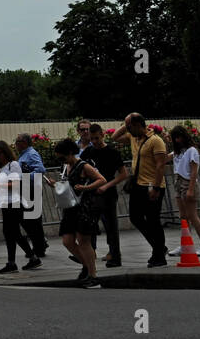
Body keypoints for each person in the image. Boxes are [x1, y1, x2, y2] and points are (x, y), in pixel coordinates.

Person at [47, 139, 106, 288]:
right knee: (67, 240)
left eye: (62, 157)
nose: (61, 160)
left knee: (83, 240)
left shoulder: (83, 165)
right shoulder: (67, 166)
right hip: (70, 207)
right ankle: (87, 266)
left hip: (83, 207)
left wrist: (86, 188)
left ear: (70, 153)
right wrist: (55, 184)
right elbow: (69, 186)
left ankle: (93, 276)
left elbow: (101, 180)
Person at [122, 113, 169, 267]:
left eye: (130, 127)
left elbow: (160, 165)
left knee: (153, 220)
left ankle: (159, 256)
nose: (128, 130)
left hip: (152, 186)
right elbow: (115, 137)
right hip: (138, 186)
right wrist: (126, 123)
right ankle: (159, 248)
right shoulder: (134, 139)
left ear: (137, 125)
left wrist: (155, 188)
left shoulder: (155, 140)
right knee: (135, 217)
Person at [0, 140, 38, 273]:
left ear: (5, 152)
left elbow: (16, 184)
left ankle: (12, 262)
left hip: (14, 203)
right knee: (14, 233)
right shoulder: (1, 168)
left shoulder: (13, 165)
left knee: (10, 233)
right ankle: (32, 258)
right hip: (6, 203)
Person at [81, 123, 125, 266]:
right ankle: (90, 253)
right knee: (90, 226)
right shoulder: (88, 152)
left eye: (97, 138)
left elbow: (123, 174)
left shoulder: (112, 152)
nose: (94, 142)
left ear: (103, 135)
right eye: (92, 139)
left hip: (108, 194)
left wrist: (106, 186)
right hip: (91, 193)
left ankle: (115, 256)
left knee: (111, 226)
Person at [168, 126, 200, 257]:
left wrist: (190, 189)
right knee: (183, 216)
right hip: (178, 182)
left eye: (178, 137)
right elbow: (165, 158)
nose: (177, 140)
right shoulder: (177, 151)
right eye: (175, 138)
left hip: (187, 182)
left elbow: (194, 171)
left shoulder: (191, 150)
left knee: (193, 216)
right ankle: (185, 244)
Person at [13, 134, 49, 259]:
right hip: (27, 190)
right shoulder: (24, 154)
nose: (16, 144)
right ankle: (40, 244)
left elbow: (40, 169)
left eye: (18, 141)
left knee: (32, 220)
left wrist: (23, 178)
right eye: (16, 141)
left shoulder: (31, 154)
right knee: (28, 219)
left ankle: (39, 248)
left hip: (32, 189)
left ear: (25, 142)